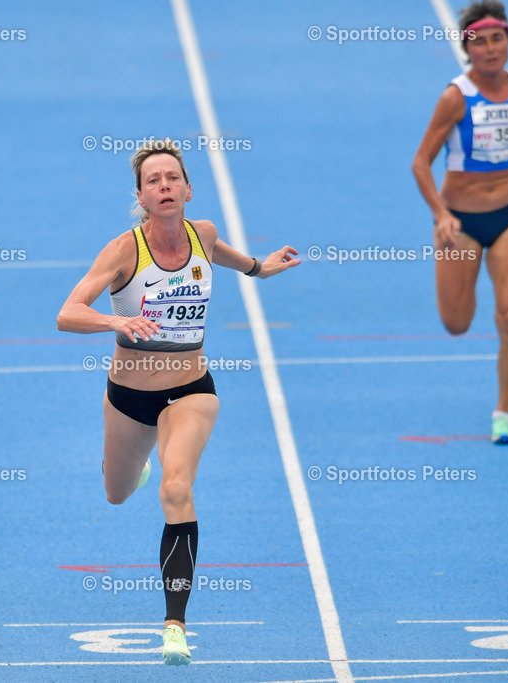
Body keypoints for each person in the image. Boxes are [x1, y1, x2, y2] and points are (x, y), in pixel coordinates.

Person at [57, 139, 300, 664]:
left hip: (191, 391)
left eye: (172, 178)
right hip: (129, 398)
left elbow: (233, 259)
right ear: (141, 197)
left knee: (176, 487)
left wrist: (261, 267)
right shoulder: (124, 251)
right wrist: (117, 320)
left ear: (188, 189)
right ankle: (135, 463)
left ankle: (174, 626)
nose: (164, 186)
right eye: (153, 181)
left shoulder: (203, 235)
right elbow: (67, 314)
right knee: (117, 493)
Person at [412, 0, 508, 444]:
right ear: (466, 48)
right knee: (457, 323)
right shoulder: (455, 98)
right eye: (480, 42)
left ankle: (504, 412)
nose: (490, 49)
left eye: (497, 39)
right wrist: (441, 215)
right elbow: (420, 163)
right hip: (461, 223)